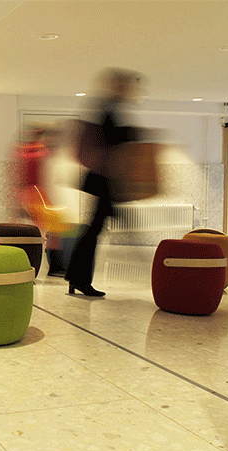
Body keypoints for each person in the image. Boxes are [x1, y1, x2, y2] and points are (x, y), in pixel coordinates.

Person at [64, 68, 143, 297]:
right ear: (119, 86)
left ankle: (76, 278)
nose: (130, 90)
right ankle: (78, 279)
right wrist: (132, 134)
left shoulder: (106, 106)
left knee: (93, 229)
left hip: (103, 179)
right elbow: (113, 139)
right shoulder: (109, 107)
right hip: (105, 180)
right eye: (127, 86)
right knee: (93, 231)